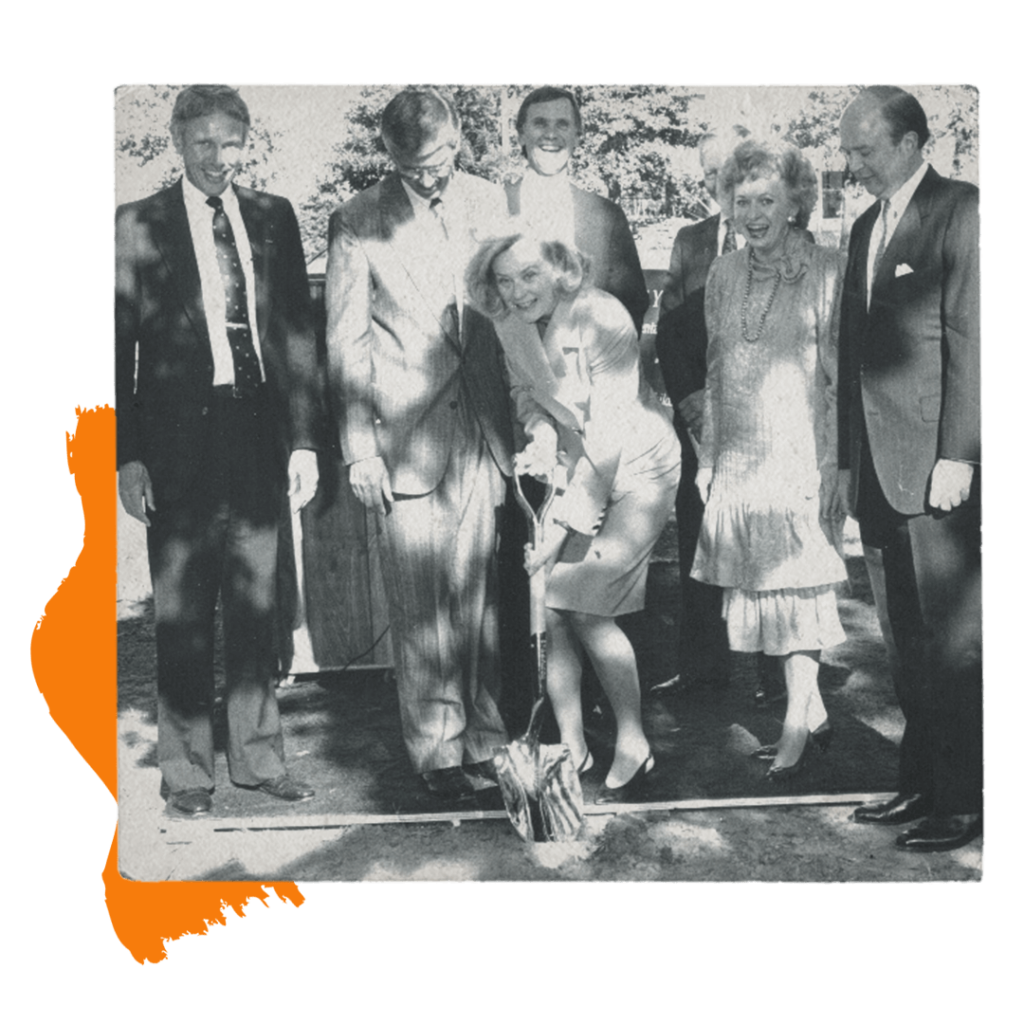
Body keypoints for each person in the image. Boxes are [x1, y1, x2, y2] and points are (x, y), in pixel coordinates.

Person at [113, 83, 323, 816]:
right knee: (182, 612)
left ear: (246, 143)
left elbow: (298, 334)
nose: (216, 156)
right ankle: (188, 774)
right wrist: (127, 456)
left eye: (229, 142)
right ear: (176, 140)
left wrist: (303, 441)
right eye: (202, 141)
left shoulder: (273, 217)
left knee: (255, 606)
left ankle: (261, 761)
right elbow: (120, 349)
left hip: (258, 437)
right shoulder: (137, 223)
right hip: (175, 447)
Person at [326, 88, 514, 803]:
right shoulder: (357, 220)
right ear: (390, 155)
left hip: (485, 433)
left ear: (458, 138)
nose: (430, 175)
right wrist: (358, 449)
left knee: (478, 601)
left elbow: (512, 319)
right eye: (414, 164)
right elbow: (346, 345)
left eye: (438, 159)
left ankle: (486, 740)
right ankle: (437, 751)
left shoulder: (491, 201)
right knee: (420, 606)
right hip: (403, 439)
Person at [467, 232, 681, 802]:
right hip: (575, 463)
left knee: (582, 605)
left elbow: (608, 437)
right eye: (504, 281)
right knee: (555, 609)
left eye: (528, 275)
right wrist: (538, 439)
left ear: (558, 267)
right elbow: (527, 395)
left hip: (637, 471)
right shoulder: (508, 321)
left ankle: (635, 742)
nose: (516, 292)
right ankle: (569, 745)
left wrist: (559, 528)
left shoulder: (603, 315)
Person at [837, 85, 982, 852]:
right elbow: (848, 356)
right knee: (904, 644)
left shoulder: (961, 210)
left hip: (937, 472)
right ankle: (919, 782)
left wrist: (959, 454)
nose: (852, 164)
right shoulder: (864, 225)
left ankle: (961, 803)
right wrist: (841, 462)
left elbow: (971, 338)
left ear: (909, 142)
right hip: (877, 473)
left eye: (864, 150)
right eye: (848, 151)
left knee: (951, 641)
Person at [690, 139, 848, 781]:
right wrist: (708, 456)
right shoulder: (724, 273)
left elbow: (840, 378)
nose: (752, 212)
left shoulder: (828, 270)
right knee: (762, 592)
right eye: (741, 199)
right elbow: (718, 370)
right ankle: (811, 719)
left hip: (800, 454)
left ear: (795, 203)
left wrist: (836, 464)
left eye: (767, 199)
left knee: (797, 589)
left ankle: (792, 728)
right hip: (739, 458)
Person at [505, 86, 649, 335]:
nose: (551, 134)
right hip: (509, 370)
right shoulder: (494, 205)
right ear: (520, 135)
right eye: (540, 123)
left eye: (562, 125)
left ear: (577, 136)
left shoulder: (606, 216)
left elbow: (631, 304)